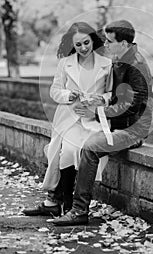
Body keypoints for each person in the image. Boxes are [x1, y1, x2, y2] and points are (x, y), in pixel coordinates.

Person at [52, 19, 153, 226]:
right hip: (118, 125)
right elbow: (116, 96)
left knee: (89, 147)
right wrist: (101, 100)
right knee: (71, 146)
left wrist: (96, 112)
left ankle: (79, 211)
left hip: (132, 130)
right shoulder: (122, 59)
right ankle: (57, 200)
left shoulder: (137, 66)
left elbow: (132, 106)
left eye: (109, 42)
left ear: (124, 43)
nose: (105, 45)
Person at [23, 22, 112, 217]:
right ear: (73, 45)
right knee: (67, 152)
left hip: (93, 119)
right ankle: (66, 204)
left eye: (86, 42)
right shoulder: (66, 63)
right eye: (78, 45)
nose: (83, 48)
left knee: (79, 152)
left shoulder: (106, 63)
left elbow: (111, 93)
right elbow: (54, 90)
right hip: (70, 117)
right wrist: (68, 95)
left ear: (92, 40)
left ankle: (59, 203)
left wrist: (101, 99)